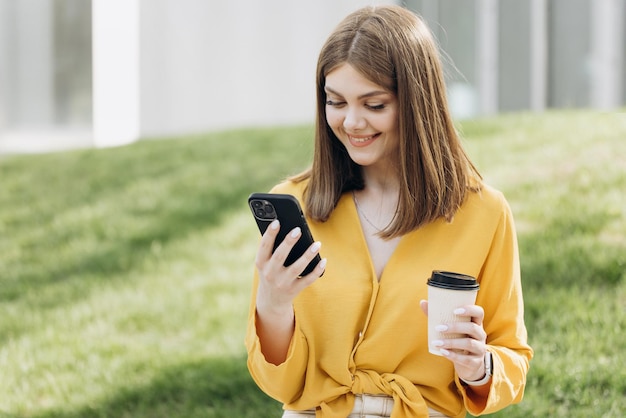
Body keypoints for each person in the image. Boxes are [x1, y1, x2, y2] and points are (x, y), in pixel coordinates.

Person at [245, 5, 533, 418]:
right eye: (335, 102)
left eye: (374, 104)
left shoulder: (484, 214)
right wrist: (272, 305)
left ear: (417, 102)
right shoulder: (298, 205)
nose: (351, 122)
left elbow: (513, 359)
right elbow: (280, 384)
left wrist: (479, 365)